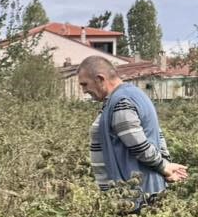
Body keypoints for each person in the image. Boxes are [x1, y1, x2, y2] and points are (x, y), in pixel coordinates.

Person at [76, 55, 188, 206]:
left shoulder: (121, 101)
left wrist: (164, 167)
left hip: (134, 194)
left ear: (100, 79)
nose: (83, 90)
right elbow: (157, 134)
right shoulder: (133, 94)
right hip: (138, 191)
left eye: (85, 84)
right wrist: (165, 165)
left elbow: (139, 145)